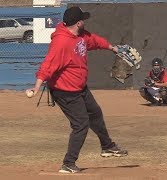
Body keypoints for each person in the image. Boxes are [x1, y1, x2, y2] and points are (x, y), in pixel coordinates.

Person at [26, 6, 127, 173]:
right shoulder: (61, 42)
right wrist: (37, 86)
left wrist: (113, 48)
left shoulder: (80, 35)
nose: (85, 21)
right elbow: (48, 64)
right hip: (64, 91)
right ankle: (68, 163)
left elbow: (93, 40)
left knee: (95, 112)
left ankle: (107, 146)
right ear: (78, 22)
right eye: (83, 19)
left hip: (79, 87)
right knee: (81, 124)